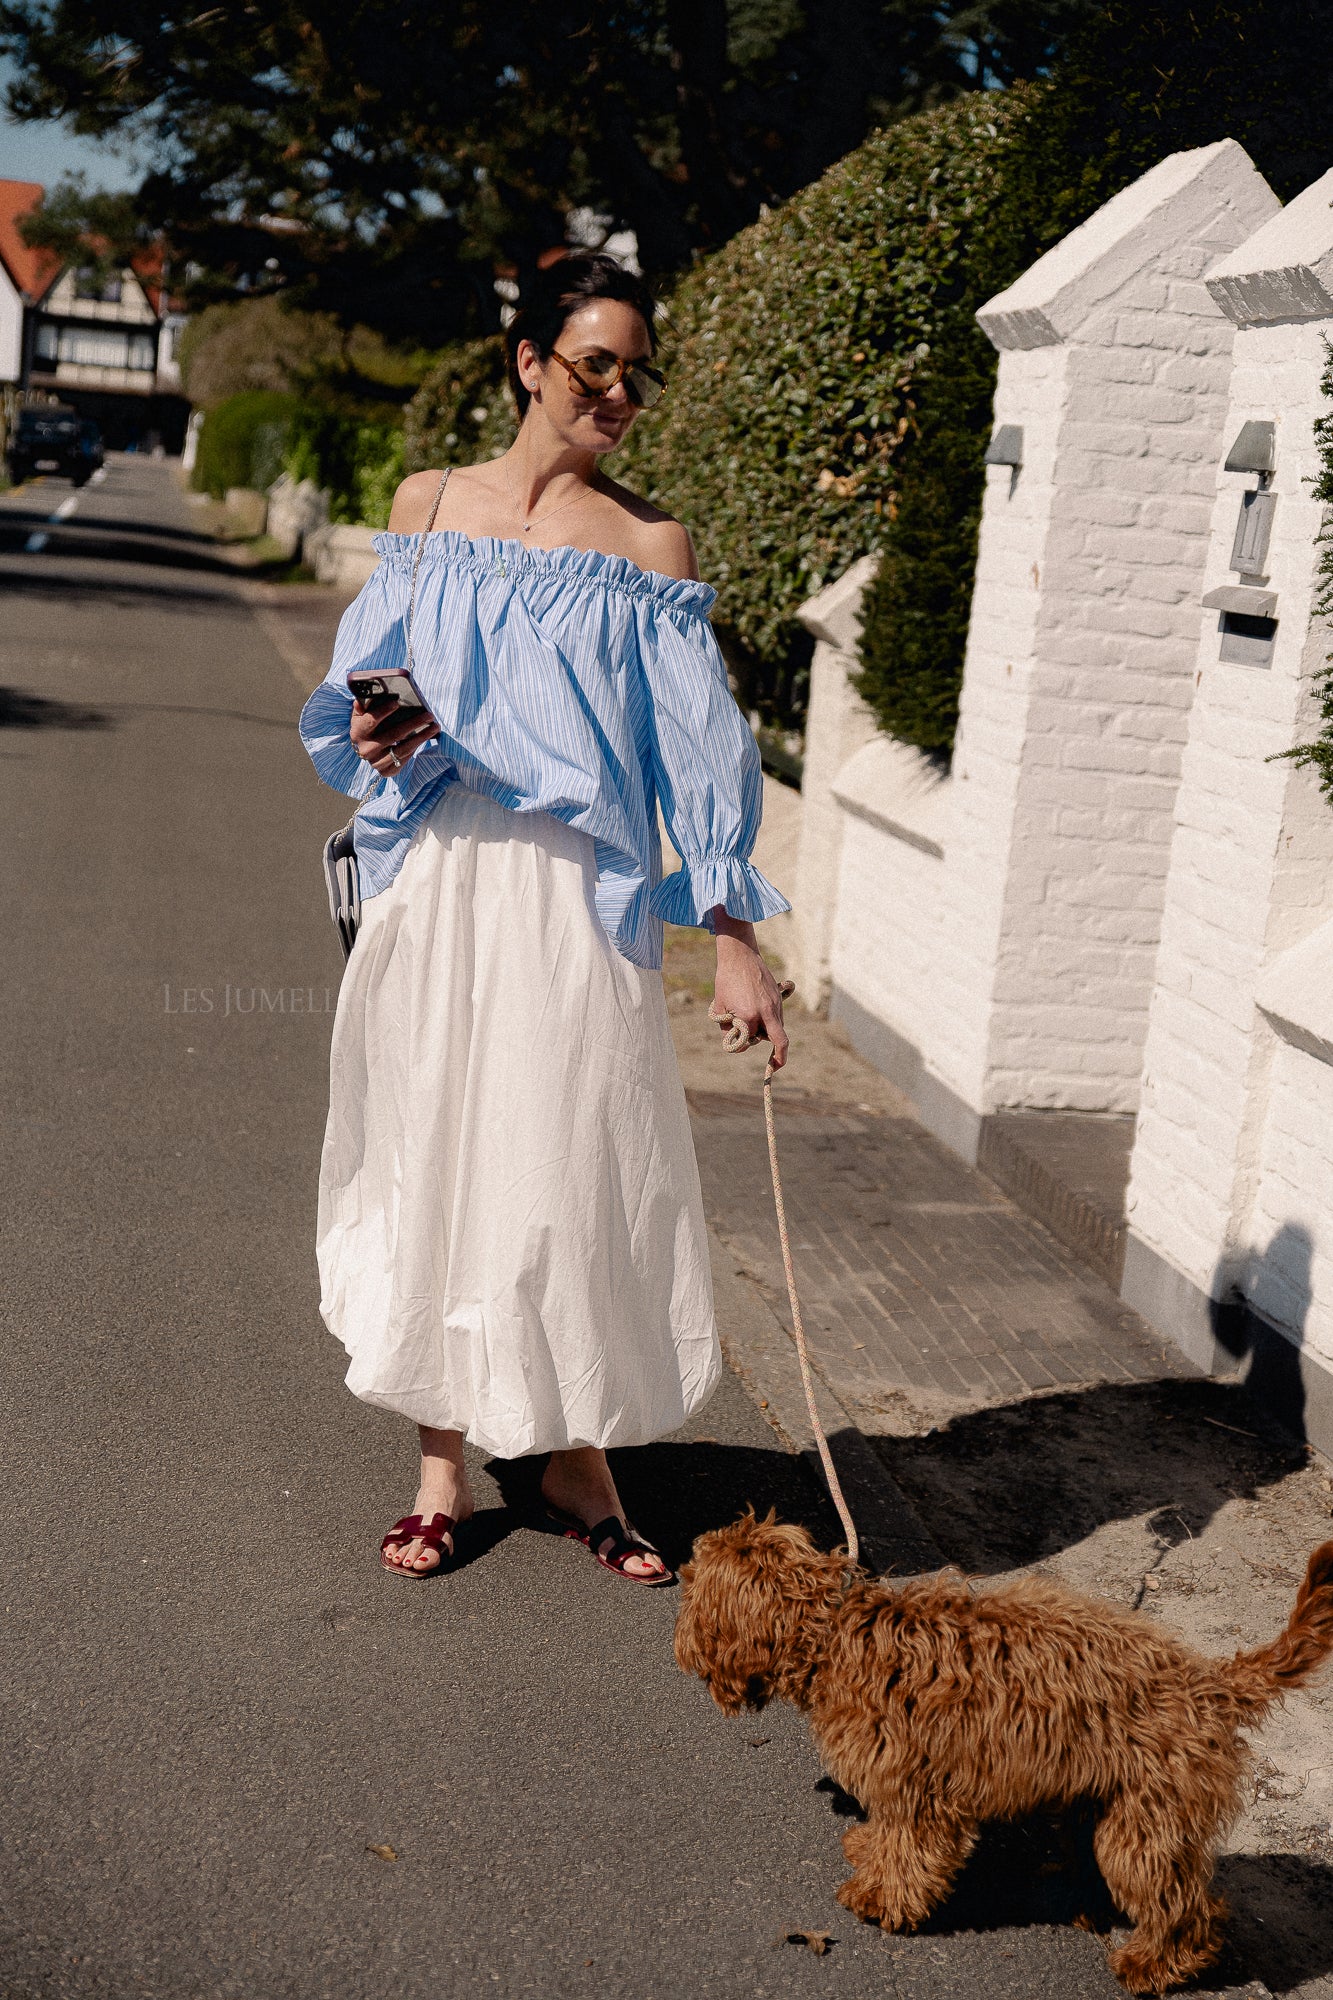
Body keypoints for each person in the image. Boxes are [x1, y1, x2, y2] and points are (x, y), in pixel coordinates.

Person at [299, 251, 790, 1585]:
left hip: (577, 900)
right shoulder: (428, 503)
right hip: (442, 876)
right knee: (434, 1154)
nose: (617, 393)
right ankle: (441, 1468)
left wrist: (733, 941)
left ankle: (578, 1461)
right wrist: (380, 723)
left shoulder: (647, 548)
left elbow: (698, 758)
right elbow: (372, 681)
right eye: (594, 365)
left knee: (570, 1168)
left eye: (636, 374)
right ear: (529, 363)